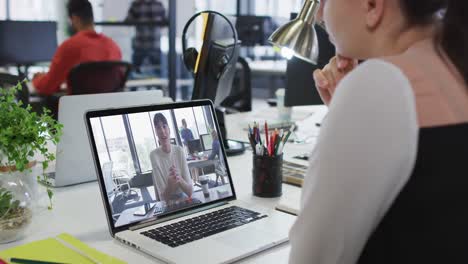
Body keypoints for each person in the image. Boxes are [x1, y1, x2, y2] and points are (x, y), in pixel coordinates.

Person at [289, 0, 468, 263]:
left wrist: (352, 106)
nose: (318, 14)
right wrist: (345, 114)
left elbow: (312, 256)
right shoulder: (454, 66)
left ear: (372, 6)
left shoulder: (380, 83)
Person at [32, 0, 122, 95]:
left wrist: (37, 78)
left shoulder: (70, 46)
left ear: (74, 18)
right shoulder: (113, 46)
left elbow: (47, 86)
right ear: (91, 17)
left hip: (78, 107)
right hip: (108, 106)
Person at [150, 113, 193, 202]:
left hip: (185, 201)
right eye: (158, 128)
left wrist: (179, 179)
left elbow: (190, 192)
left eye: (164, 126)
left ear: (169, 129)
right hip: (168, 205)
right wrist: (170, 186)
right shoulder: (154, 155)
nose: (162, 131)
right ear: (156, 133)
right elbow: (163, 198)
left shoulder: (179, 150)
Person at [125, 0, 166, 75]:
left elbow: (128, 22)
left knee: (135, 72)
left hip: (142, 44)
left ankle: (134, 85)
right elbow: (165, 23)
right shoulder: (158, 4)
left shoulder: (136, 4)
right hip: (153, 44)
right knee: (158, 72)